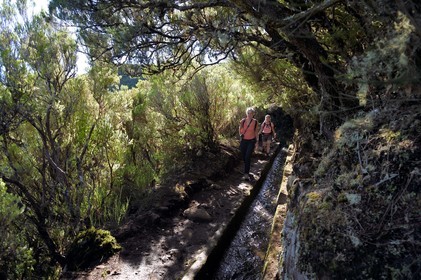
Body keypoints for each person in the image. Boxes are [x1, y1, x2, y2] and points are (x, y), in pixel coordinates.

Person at [239, 107, 259, 181]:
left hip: (251, 141)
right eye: (248, 113)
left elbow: (256, 132)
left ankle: (246, 174)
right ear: (246, 113)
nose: (250, 114)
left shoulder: (255, 122)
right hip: (244, 141)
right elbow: (240, 129)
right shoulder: (243, 121)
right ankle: (247, 166)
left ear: (253, 114)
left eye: (251, 113)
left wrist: (257, 141)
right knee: (244, 156)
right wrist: (241, 134)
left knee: (247, 157)